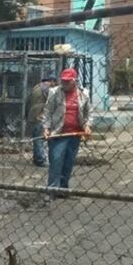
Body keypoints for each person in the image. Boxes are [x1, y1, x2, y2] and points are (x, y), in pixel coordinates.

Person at [42, 68, 92, 198]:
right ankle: (52, 190)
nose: (64, 84)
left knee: (68, 162)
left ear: (74, 81)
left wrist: (87, 126)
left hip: (74, 134)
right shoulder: (55, 92)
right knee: (56, 161)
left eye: (67, 82)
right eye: (63, 81)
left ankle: (63, 189)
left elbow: (88, 113)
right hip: (58, 133)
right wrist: (46, 128)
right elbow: (47, 111)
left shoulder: (83, 94)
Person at [25, 76, 56, 167]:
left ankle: (37, 158)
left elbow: (27, 102)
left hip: (33, 115)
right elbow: (51, 102)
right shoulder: (47, 88)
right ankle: (40, 159)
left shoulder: (36, 87)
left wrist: (27, 115)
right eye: (54, 82)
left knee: (37, 138)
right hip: (41, 115)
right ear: (51, 81)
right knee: (40, 138)